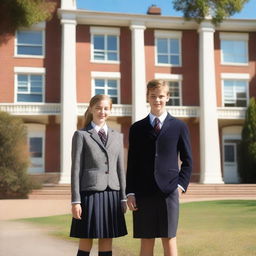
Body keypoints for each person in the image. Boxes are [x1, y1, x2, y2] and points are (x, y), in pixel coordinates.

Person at [126, 79, 192, 256]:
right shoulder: (137, 128)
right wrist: (130, 192)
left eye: (161, 96)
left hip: (169, 192)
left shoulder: (180, 127)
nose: (157, 100)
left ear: (168, 97)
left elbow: (187, 161)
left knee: (169, 239)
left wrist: (180, 186)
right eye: (153, 96)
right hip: (143, 192)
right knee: (146, 240)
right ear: (147, 98)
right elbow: (132, 163)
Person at [70, 94, 127, 256]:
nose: (102, 112)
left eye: (106, 108)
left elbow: (120, 168)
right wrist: (76, 201)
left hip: (112, 194)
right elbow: (76, 170)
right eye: (98, 108)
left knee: (107, 238)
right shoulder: (81, 135)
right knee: (86, 237)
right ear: (91, 109)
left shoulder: (118, 136)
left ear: (110, 110)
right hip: (90, 194)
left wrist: (123, 197)